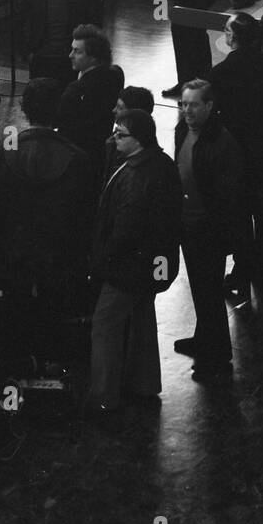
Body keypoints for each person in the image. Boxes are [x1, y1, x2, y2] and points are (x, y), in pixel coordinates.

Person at [0, 77, 96, 361]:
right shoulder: (77, 159)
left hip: (13, 256)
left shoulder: (3, 154)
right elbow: (86, 217)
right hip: (58, 259)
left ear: (25, 109)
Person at [87, 108, 183, 417]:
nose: (114, 138)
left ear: (138, 139)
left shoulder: (134, 175)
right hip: (152, 265)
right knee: (142, 318)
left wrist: (100, 259)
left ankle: (104, 398)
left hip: (126, 268)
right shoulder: (162, 164)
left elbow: (125, 229)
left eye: (120, 134)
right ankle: (144, 384)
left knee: (105, 326)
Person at [173, 79, 245, 382]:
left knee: (209, 290)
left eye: (193, 104)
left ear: (209, 106)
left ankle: (216, 355)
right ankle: (204, 338)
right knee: (201, 288)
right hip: (188, 223)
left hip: (207, 227)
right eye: (183, 104)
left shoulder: (221, 142)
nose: (187, 110)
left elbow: (228, 195)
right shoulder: (183, 131)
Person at [210, 12, 263, 308]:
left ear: (231, 37)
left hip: (235, 152)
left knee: (239, 214)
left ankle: (241, 268)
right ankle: (262, 264)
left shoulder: (221, 73)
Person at [17, 0, 92, 84]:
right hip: (40, 58)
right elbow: (18, 26)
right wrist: (27, 53)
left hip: (68, 58)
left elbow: (92, 29)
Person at [56, 24, 124, 160]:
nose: (70, 55)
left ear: (94, 57)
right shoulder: (116, 74)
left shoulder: (75, 91)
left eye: (77, 51)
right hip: (102, 151)